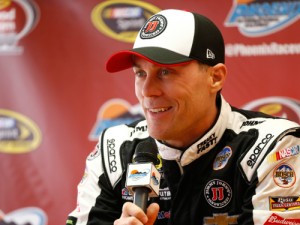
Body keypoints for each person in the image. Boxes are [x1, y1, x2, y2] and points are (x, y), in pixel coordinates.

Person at [66, 9, 300, 225]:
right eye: (140, 73)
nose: (148, 91)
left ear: (215, 77)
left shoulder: (271, 147)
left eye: (165, 72)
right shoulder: (115, 149)